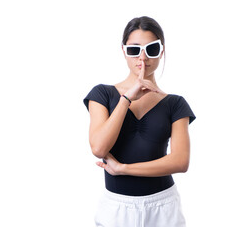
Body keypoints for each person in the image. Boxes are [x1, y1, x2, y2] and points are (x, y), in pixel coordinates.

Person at [83, 16, 196, 227]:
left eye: (151, 49)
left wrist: (123, 168)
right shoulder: (102, 94)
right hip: (116, 208)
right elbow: (99, 147)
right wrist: (126, 99)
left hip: (163, 208)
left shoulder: (175, 104)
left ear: (161, 51)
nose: (142, 58)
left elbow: (180, 162)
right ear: (123, 50)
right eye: (134, 50)